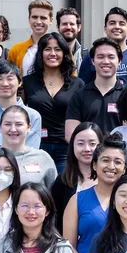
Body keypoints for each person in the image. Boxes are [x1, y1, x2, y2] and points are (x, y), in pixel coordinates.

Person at [0, 106, 56, 204]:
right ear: (0, 127)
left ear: (29, 127)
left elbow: (52, 197)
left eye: (19, 124)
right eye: (7, 124)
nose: (13, 129)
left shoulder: (43, 158)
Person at [21, 32, 84, 167]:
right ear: (41, 53)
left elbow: (82, 118)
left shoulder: (77, 84)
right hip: (35, 146)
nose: (52, 53)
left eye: (57, 49)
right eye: (47, 49)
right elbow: (20, 113)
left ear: (64, 53)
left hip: (66, 148)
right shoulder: (27, 82)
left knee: (65, 187)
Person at [66, 38, 127, 137]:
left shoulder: (126, 95)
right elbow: (70, 135)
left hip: (117, 151)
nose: (106, 61)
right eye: (100, 57)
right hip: (88, 151)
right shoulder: (80, 95)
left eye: (111, 57)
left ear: (119, 61)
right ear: (93, 61)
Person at [77, 8, 127, 82]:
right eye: (112, 23)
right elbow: (83, 87)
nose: (117, 27)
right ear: (105, 28)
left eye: (121, 24)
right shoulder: (92, 56)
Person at [51, 122, 102, 219]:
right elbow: (55, 219)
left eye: (92, 144)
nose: (87, 149)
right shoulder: (63, 181)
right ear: (72, 146)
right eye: (80, 143)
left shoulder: (109, 178)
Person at [6, 0, 54, 77]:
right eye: (35, 17)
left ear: (51, 20)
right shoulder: (16, 50)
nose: (38, 21)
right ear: (29, 19)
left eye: (43, 18)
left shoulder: (62, 49)